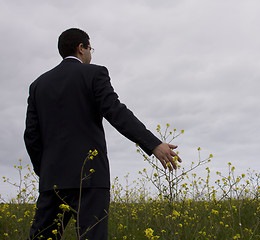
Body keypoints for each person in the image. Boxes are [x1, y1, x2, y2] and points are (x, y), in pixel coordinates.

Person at [24, 28, 181, 239]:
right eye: (90, 48)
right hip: (90, 178)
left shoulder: (38, 85)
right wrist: (153, 144)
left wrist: (45, 171)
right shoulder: (94, 74)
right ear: (81, 48)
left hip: (52, 181)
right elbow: (116, 113)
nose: (91, 53)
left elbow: (31, 136)